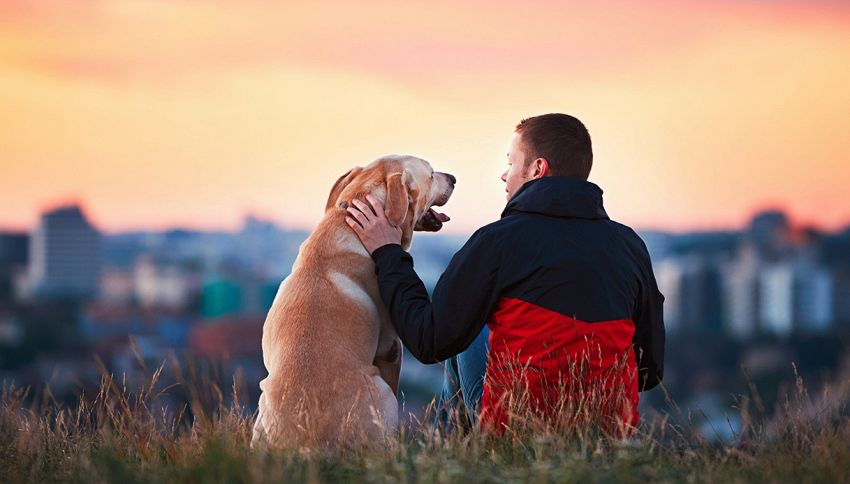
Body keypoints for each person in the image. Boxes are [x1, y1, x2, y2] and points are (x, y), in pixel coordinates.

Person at [345, 113, 665, 435]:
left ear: (537, 169)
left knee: (465, 332)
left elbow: (428, 340)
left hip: (518, 430)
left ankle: (451, 461)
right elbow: (649, 370)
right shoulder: (630, 247)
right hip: (608, 433)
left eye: (511, 162)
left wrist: (388, 252)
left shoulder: (497, 241)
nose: (503, 174)